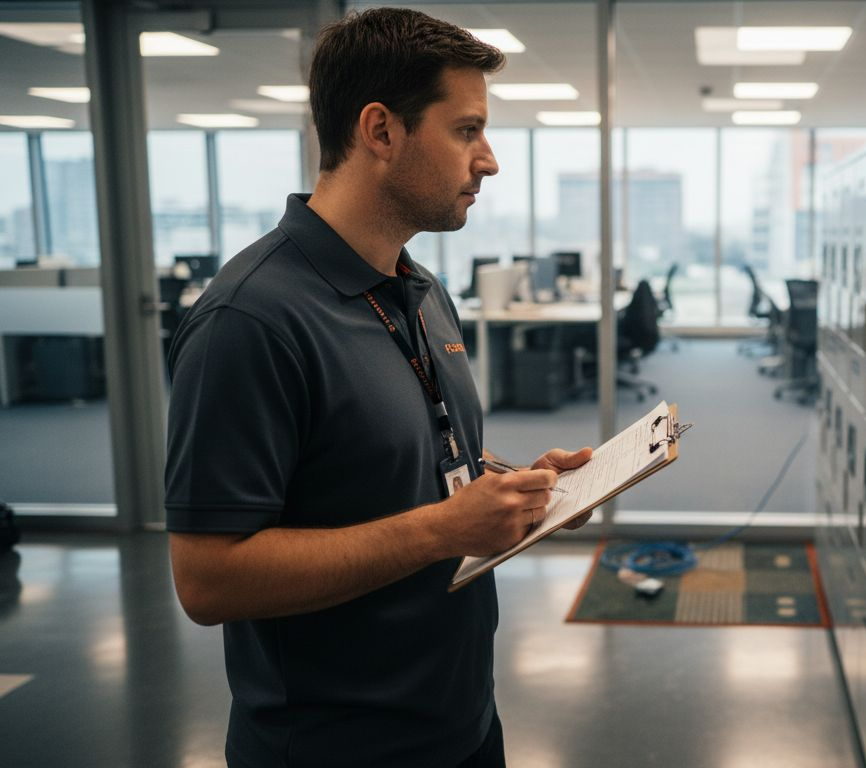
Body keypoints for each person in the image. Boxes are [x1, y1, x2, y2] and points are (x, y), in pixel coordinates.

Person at [163, 9, 592, 767]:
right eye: (467, 131)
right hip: (336, 748)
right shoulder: (250, 320)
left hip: (461, 723)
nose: (488, 161)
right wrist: (446, 529)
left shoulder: (418, 287)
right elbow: (207, 579)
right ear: (381, 131)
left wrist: (516, 487)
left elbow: (407, 454)